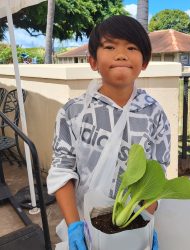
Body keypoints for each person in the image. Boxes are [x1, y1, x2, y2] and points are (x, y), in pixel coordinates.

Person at [47, 15, 170, 250]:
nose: (121, 54)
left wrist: (146, 221)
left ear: (144, 62)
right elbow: (62, 171)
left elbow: (157, 173)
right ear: (92, 61)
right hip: (86, 225)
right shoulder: (73, 113)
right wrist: (75, 227)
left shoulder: (154, 114)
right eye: (110, 47)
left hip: (134, 222)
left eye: (132, 48)